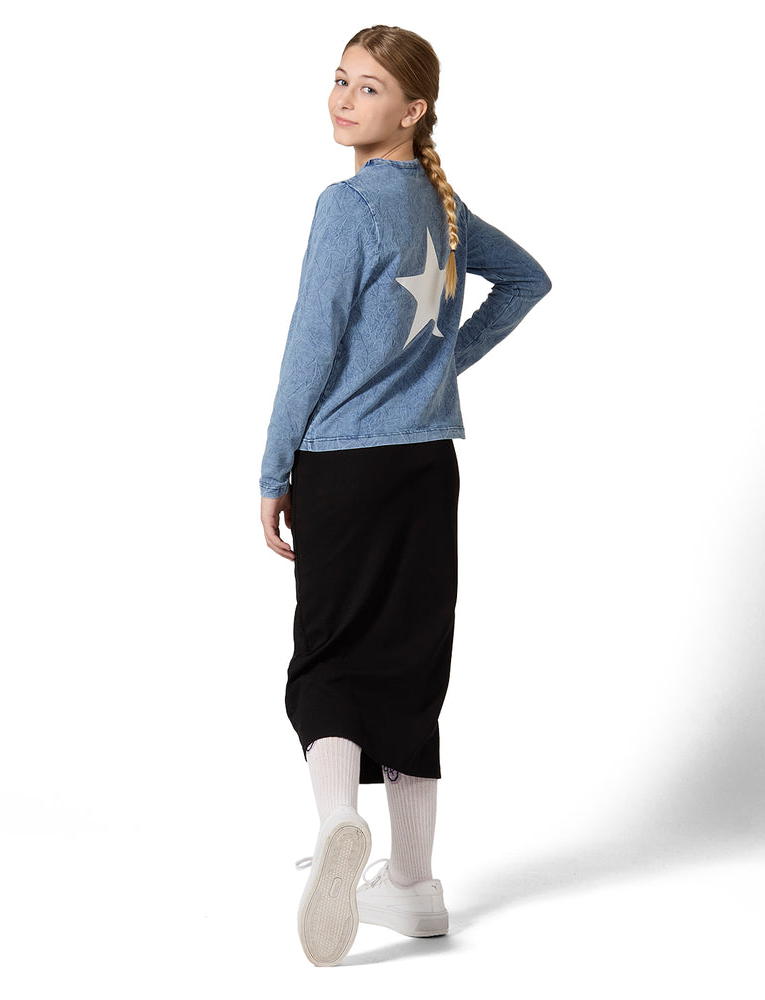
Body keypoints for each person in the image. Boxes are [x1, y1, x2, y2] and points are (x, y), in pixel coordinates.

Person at [259, 24, 552, 967]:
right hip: (427, 466)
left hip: (342, 466)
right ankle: (416, 886)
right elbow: (528, 281)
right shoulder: (440, 204)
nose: (345, 100)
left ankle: (339, 823)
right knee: (412, 664)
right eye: (340, 80)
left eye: (370, 88)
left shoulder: (348, 205)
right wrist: (437, 371)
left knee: (330, 656)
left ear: (414, 109)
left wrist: (272, 471)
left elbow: (309, 346)